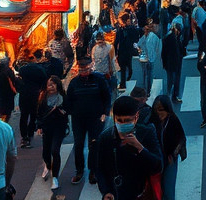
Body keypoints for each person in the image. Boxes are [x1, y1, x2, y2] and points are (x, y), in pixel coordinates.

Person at [91, 96, 162, 200]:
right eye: (119, 120)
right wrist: (106, 191)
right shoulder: (106, 138)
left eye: (128, 120)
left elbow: (158, 166)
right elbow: (100, 169)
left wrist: (140, 148)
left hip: (141, 194)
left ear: (136, 117)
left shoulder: (146, 133)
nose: (123, 124)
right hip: (117, 194)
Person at [64, 55, 113, 185]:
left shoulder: (99, 79)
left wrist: (105, 112)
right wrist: (70, 112)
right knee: (79, 144)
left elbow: (107, 96)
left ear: (91, 67)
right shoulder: (74, 83)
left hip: (96, 118)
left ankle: (93, 171)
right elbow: (68, 100)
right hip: (78, 119)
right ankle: (79, 170)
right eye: (81, 70)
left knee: (94, 144)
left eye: (86, 69)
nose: (83, 72)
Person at [150, 94, 187, 200]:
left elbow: (181, 138)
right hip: (155, 160)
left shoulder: (173, 121)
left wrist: (173, 154)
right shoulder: (152, 121)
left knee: (168, 190)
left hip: (170, 160)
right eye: (156, 110)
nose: (159, 113)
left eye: (161, 110)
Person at [36, 76, 69, 191]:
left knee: (55, 150)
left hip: (59, 127)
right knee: (46, 152)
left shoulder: (63, 97)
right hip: (47, 127)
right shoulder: (43, 97)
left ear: (58, 85)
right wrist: (39, 126)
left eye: (53, 84)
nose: (51, 87)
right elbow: (39, 113)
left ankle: (55, 177)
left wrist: (62, 111)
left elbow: (68, 109)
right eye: (49, 85)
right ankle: (47, 164)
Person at [15, 50, 47, 148]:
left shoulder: (23, 69)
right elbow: (44, 82)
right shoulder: (40, 69)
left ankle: (24, 137)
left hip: (24, 94)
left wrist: (20, 89)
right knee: (33, 115)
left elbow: (17, 80)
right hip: (36, 94)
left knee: (24, 116)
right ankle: (30, 134)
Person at [161, 23, 186, 105]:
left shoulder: (176, 37)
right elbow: (164, 52)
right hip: (171, 62)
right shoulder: (169, 37)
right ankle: (170, 96)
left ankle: (174, 96)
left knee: (176, 79)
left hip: (177, 61)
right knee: (172, 80)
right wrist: (164, 63)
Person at [136, 21, 162, 97]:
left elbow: (139, 45)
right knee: (147, 73)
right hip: (147, 58)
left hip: (148, 58)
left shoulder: (151, 37)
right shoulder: (146, 37)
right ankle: (147, 89)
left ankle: (147, 89)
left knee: (148, 74)